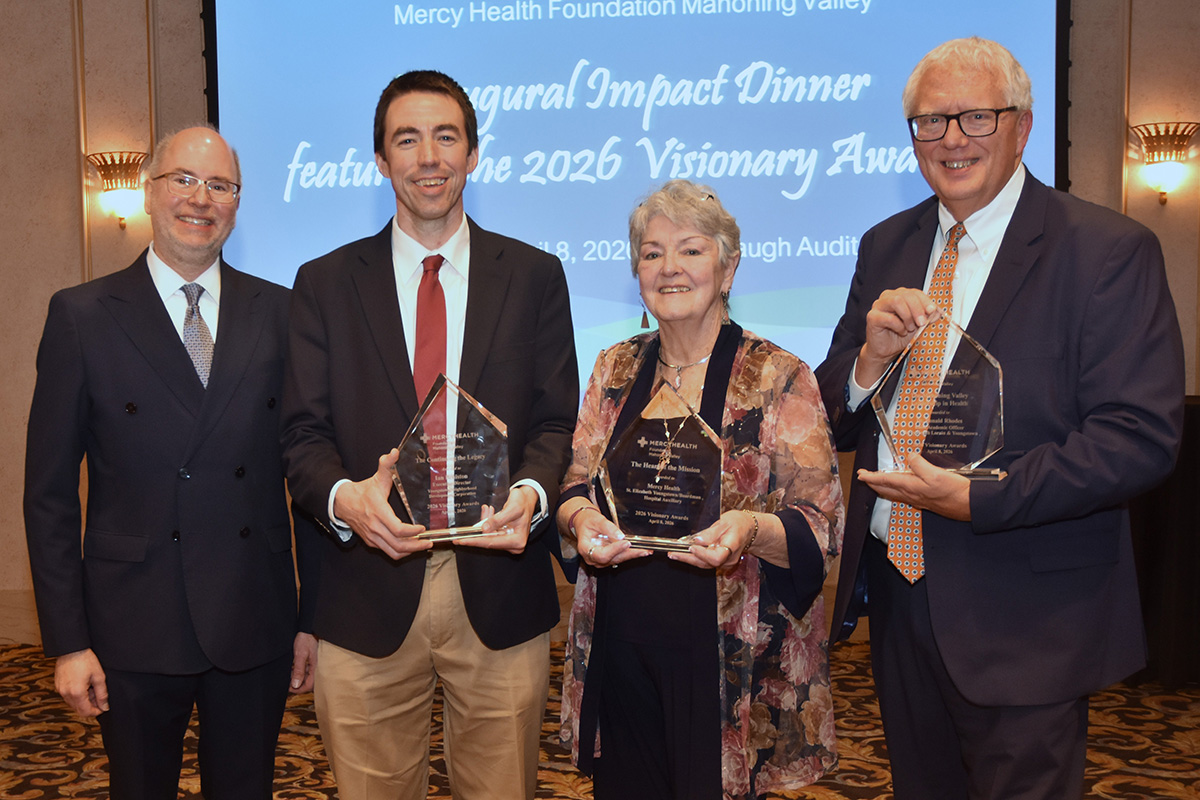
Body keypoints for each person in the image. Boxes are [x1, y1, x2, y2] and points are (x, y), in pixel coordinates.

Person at [815, 37, 1185, 800]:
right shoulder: (887, 243)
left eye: (975, 117)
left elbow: (1138, 438)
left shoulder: (1107, 251)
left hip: (1028, 611)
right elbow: (827, 416)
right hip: (898, 592)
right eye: (930, 121)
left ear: (1022, 126)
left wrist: (981, 497)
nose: (951, 139)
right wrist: (866, 364)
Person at [280, 70, 578, 800]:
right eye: (406, 140)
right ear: (380, 161)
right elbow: (300, 433)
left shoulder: (537, 276)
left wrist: (534, 494)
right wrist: (348, 499)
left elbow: (554, 420)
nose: (429, 157)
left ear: (473, 154)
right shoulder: (323, 283)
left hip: (499, 586)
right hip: (364, 591)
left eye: (446, 137)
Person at [23, 126, 317, 800]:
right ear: (151, 194)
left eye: (221, 186)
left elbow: (308, 471)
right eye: (183, 179)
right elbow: (49, 496)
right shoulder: (81, 315)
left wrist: (312, 618)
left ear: (238, 205)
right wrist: (67, 642)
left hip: (254, 612)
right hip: (131, 622)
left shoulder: (281, 311)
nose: (201, 199)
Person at [557, 179, 844, 800]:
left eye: (690, 250)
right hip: (621, 644)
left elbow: (821, 521)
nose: (670, 268)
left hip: (727, 659)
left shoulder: (778, 375)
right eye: (652, 252)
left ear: (728, 264)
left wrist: (748, 529)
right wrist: (580, 520)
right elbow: (575, 483)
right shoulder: (614, 368)